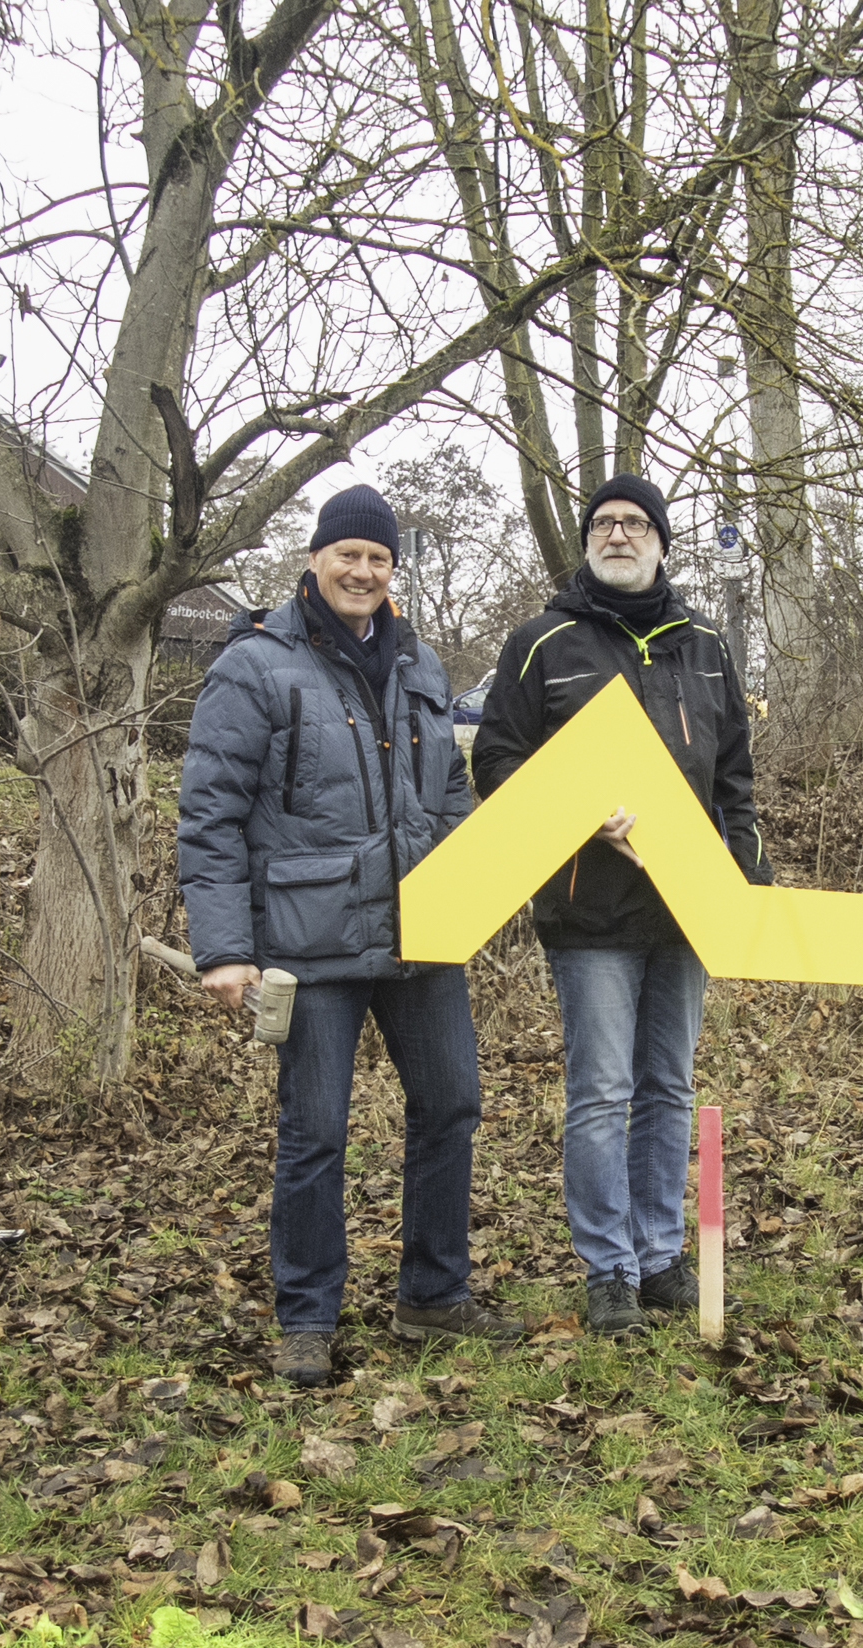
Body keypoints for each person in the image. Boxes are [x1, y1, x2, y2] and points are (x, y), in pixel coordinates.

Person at [178, 484, 522, 1387]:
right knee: (316, 1131)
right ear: (315, 559)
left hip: (422, 934)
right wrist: (223, 947)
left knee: (451, 1105)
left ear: (392, 571)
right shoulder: (254, 666)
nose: (362, 571)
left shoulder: (420, 662)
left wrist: (460, 875)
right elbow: (209, 815)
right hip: (307, 940)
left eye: (378, 558)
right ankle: (306, 1316)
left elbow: (448, 788)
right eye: (348, 555)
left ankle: (433, 1297)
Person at [472, 474, 770, 1336]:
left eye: (635, 523)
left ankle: (662, 1255)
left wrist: (747, 887)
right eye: (603, 523)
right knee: (602, 1091)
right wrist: (575, 809)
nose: (618, 534)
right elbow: (494, 762)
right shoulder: (541, 643)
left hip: (687, 911)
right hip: (587, 912)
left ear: (662, 543)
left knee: (668, 1087)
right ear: (587, 541)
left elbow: (736, 785)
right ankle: (608, 1270)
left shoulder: (707, 646)